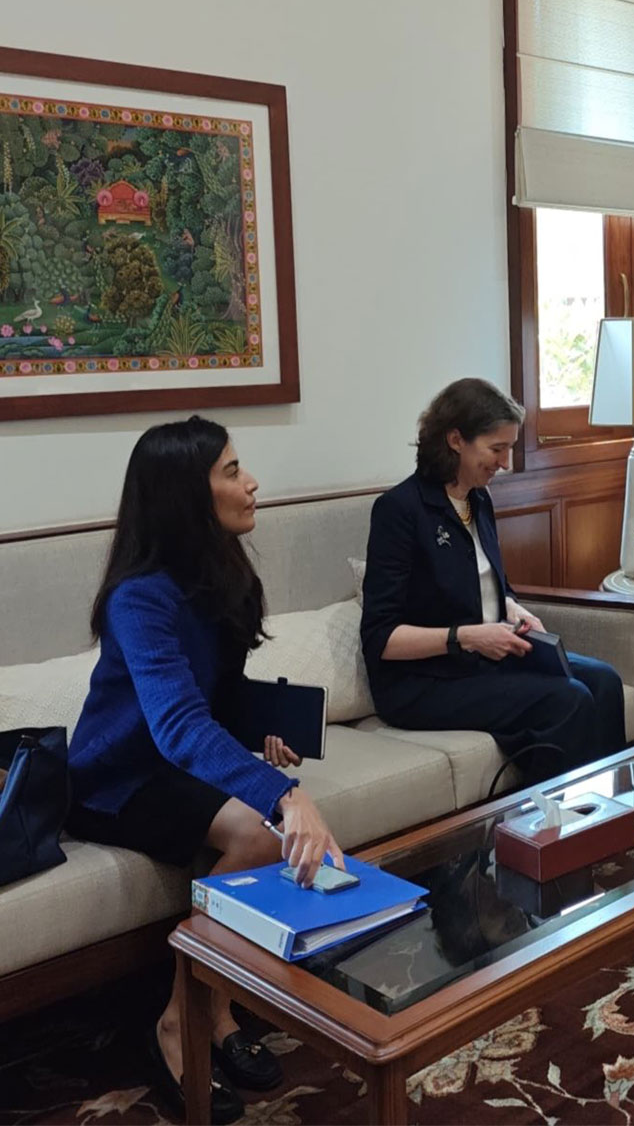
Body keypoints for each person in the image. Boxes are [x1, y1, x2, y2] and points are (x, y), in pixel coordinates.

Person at [67, 417, 343, 1124]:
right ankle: (185, 1018)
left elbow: (211, 697)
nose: (250, 483)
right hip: (117, 779)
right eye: (231, 470)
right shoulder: (140, 598)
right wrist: (284, 795)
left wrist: (261, 734)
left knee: (260, 826)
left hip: (176, 766)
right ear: (186, 495)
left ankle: (215, 1011)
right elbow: (174, 724)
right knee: (260, 833)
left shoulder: (221, 572)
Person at [360, 378, 626, 787]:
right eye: (497, 449)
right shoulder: (399, 510)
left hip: (481, 662)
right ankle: (551, 834)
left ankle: (610, 820)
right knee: (567, 700)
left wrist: (513, 608)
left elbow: (489, 584)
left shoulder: (478, 499)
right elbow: (381, 637)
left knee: (604, 681)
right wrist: (469, 637)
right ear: (455, 440)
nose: (505, 462)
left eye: (510, 448)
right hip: (423, 683)